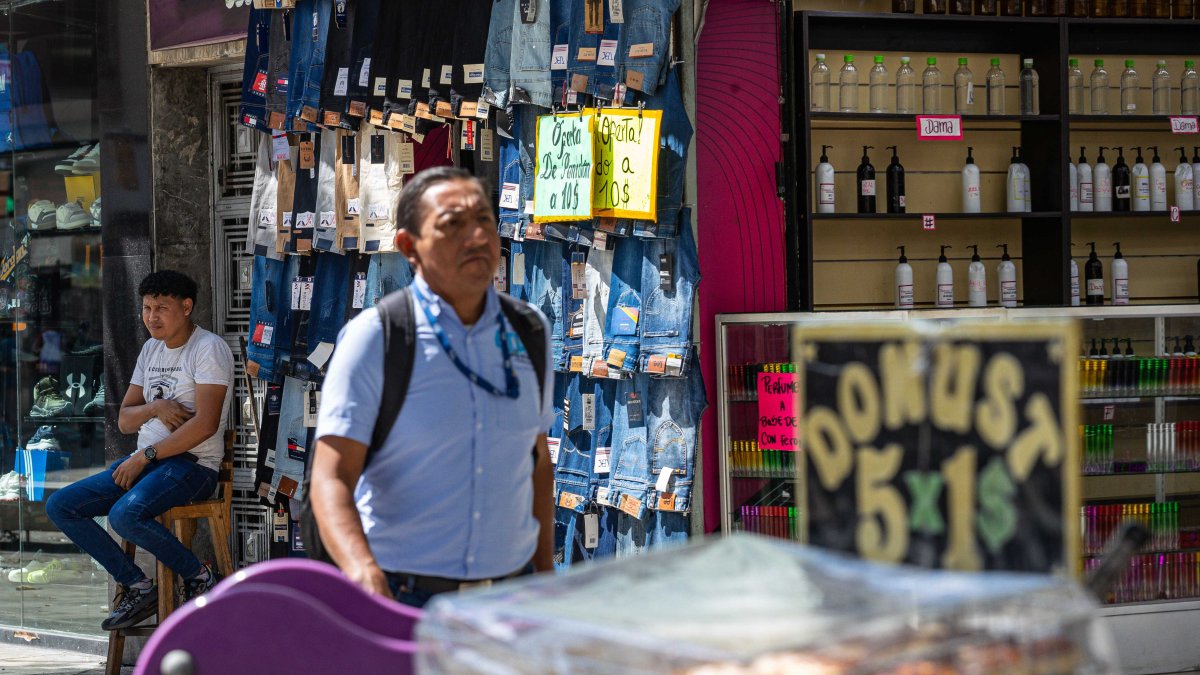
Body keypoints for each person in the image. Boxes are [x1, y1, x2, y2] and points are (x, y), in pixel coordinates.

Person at [311, 166, 554, 608]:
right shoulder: (378, 337)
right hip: (406, 600)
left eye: (484, 220)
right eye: (453, 225)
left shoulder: (530, 331)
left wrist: (546, 576)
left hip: (512, 602)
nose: (477, 236)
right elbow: (331, 477)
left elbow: (537, 463)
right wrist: (362, 572)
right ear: (409, 246)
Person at [46, 270, 235, 630]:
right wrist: (155, 408)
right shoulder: (151, 349)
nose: (152, 317)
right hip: (149, 463)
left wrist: (144, 456)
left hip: (193, 467)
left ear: (186, 306)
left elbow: (205, 424)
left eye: (161, 308)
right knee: (61, 505)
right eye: (147, 308)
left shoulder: (208, 348)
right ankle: (136, 585)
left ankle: (200, 577)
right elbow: (125, 420)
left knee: (124, 515)